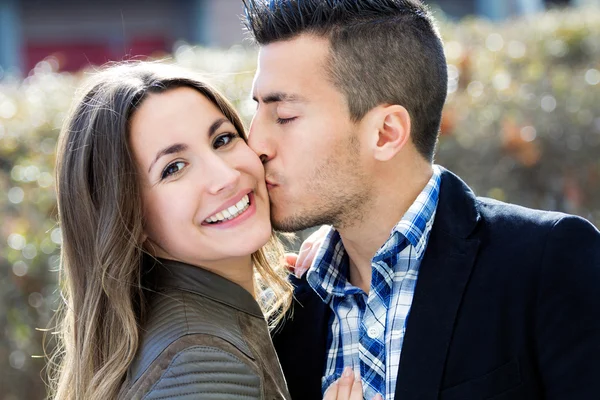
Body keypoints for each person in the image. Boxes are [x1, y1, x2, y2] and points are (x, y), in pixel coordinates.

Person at [241, 0, 600, 399]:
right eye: (255, 109)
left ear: (386, 133)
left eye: (285, 116)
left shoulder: (545, 264)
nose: (254, 143)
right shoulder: (286, 309)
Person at [47, 62, 294, 400]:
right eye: (174, 168)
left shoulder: (197, 329)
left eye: (222, 139)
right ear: (130, 221)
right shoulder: (201, 364)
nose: (225, 177)